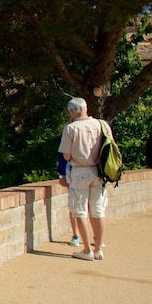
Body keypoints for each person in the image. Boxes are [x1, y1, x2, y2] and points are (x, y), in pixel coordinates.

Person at [58, 97, 108, 261]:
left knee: (80, 210)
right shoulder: (101, 125)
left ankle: (87, 250)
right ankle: (98, 248)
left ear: (72, 111)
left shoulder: (71, 128)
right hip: (99, 172)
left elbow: (66, 155)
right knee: (98, 210)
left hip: (80, 171)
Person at [57, 152, 81, 246]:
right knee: (74, 205)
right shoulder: (70, 136)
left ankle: (96, 237)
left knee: (91, 207)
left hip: (91, 171)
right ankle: (76, 235)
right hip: (73, 171)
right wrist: (63, 173)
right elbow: (64, 152)